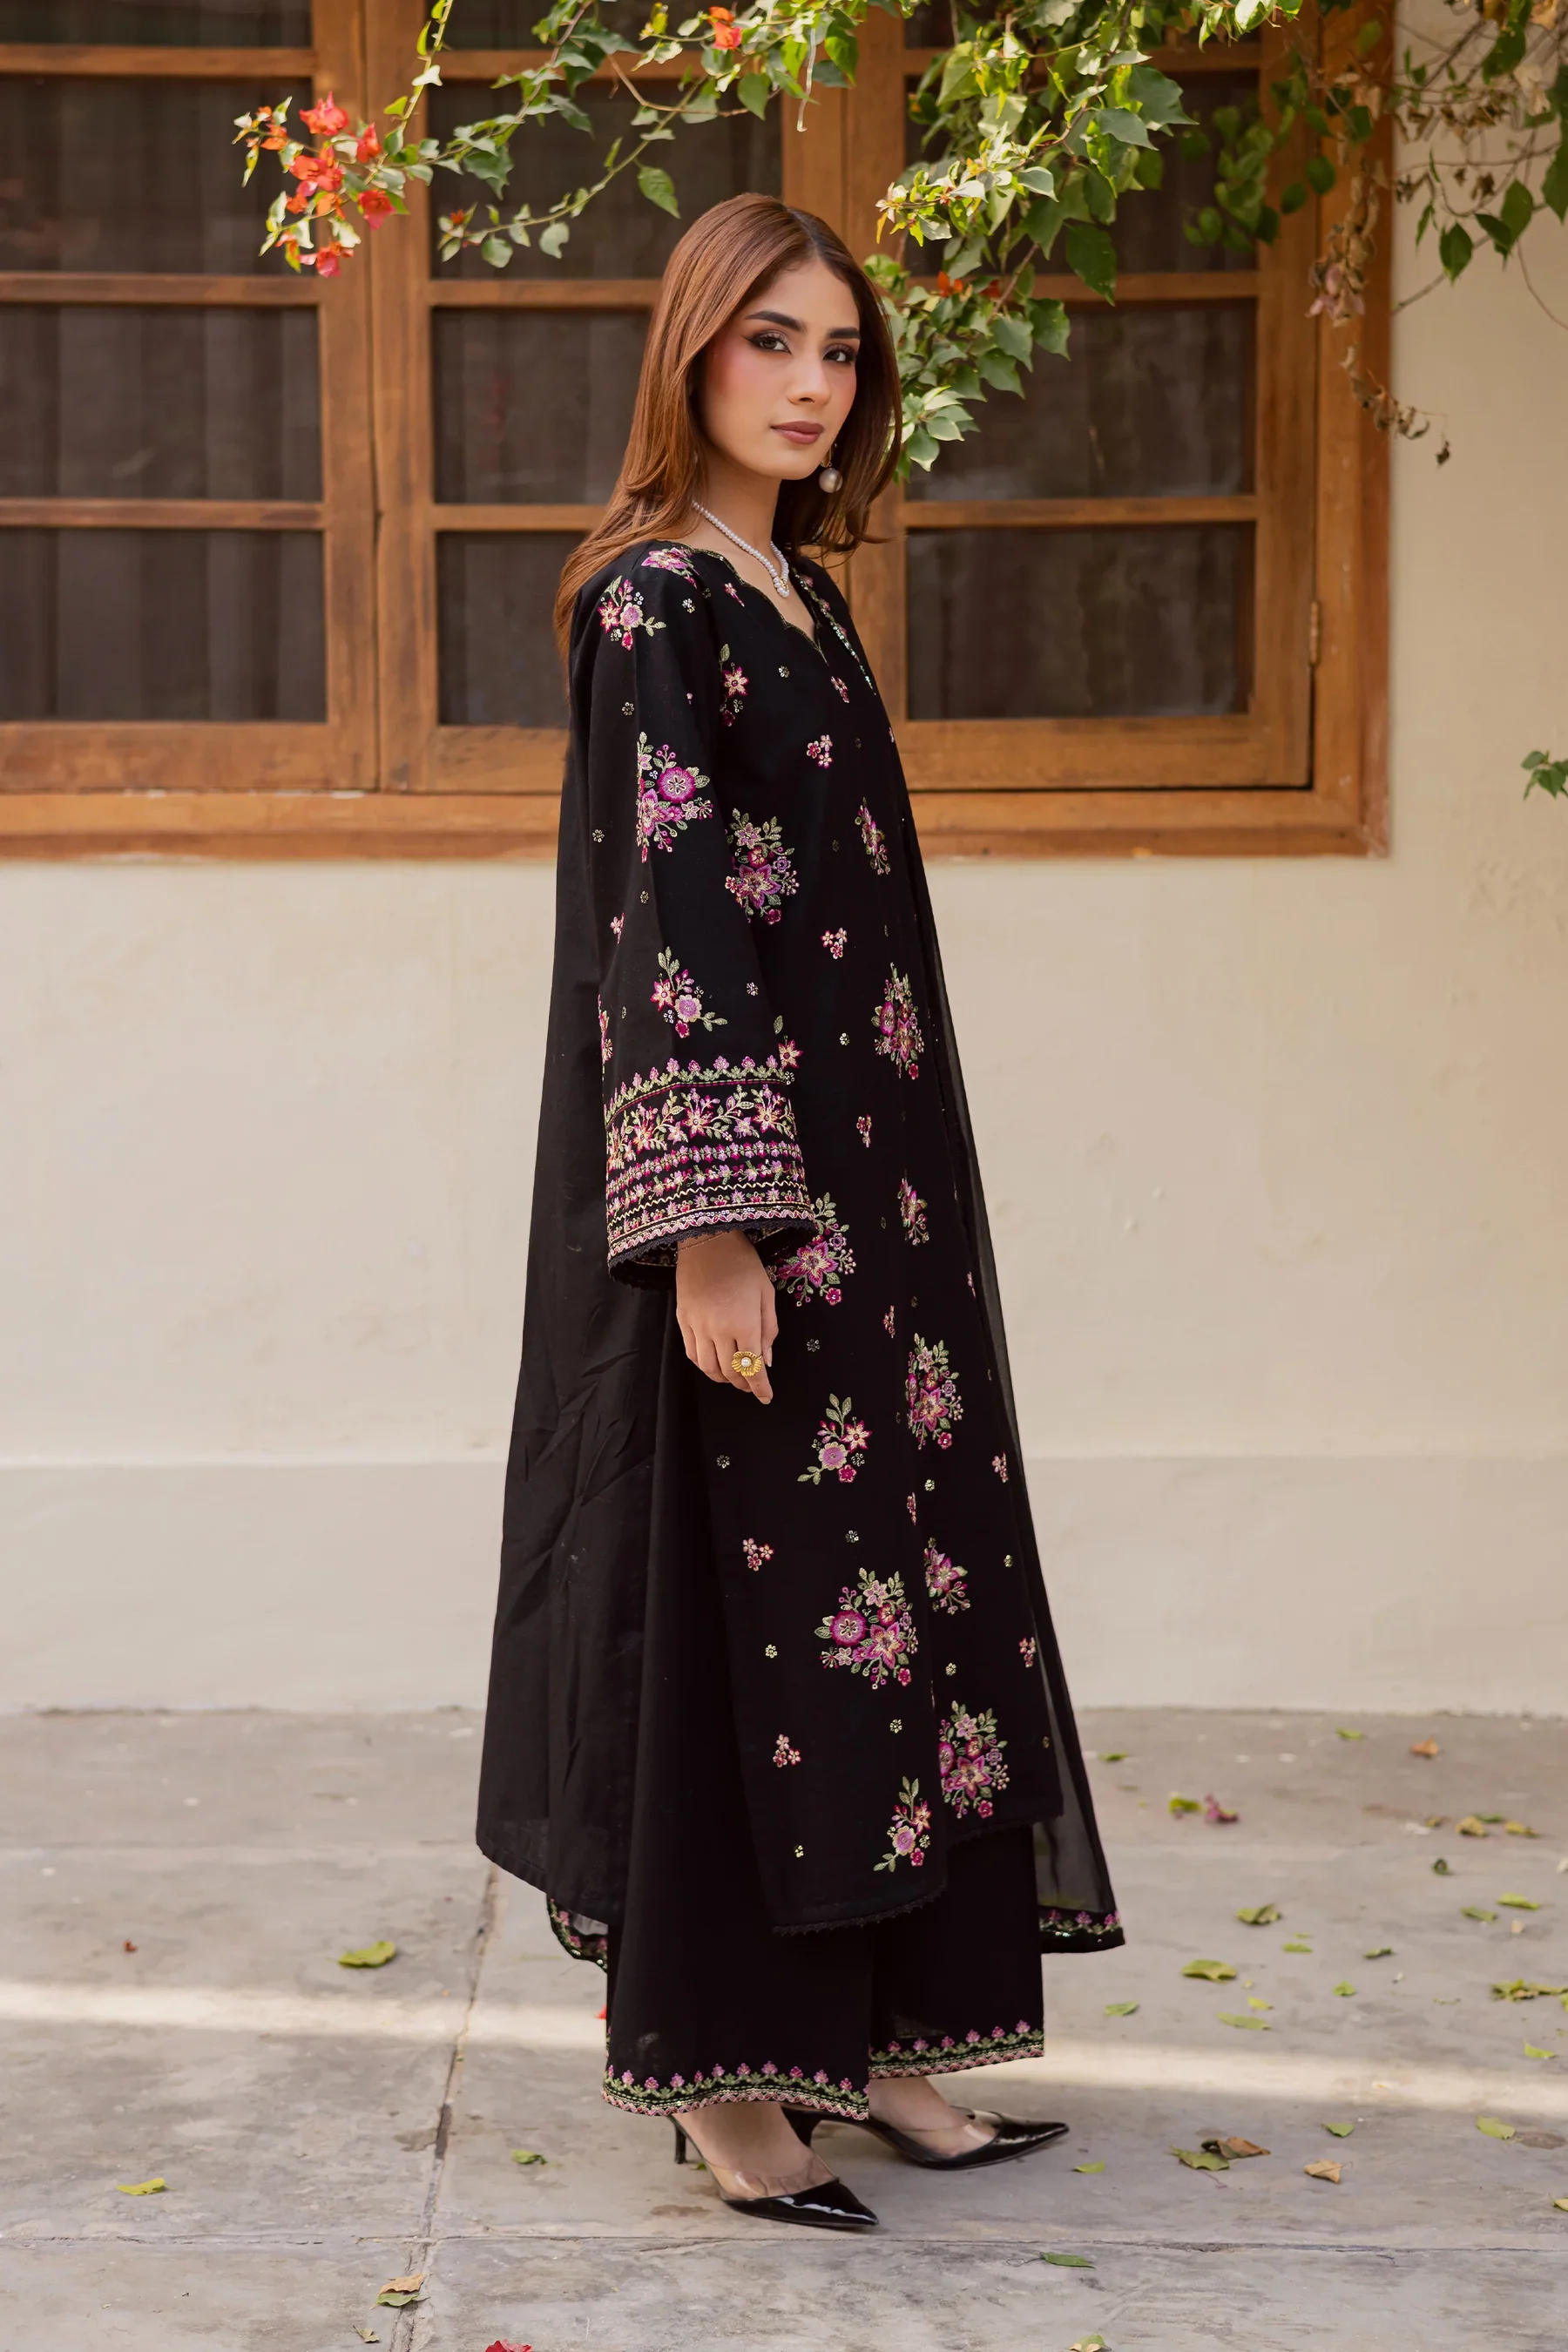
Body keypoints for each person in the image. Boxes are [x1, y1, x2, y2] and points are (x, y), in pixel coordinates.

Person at [476, 191, 1120, 2232]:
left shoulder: (801, 592)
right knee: (761, 1627)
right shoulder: (654, 601)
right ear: (691, 350)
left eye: (839, 350)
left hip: (880, 1194)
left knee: (899, 1605)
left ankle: (889, 2043)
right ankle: (730, 2093)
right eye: (771, 339)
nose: (812, 382)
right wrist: (711, 1229)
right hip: (753, 1203)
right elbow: (664, 923)